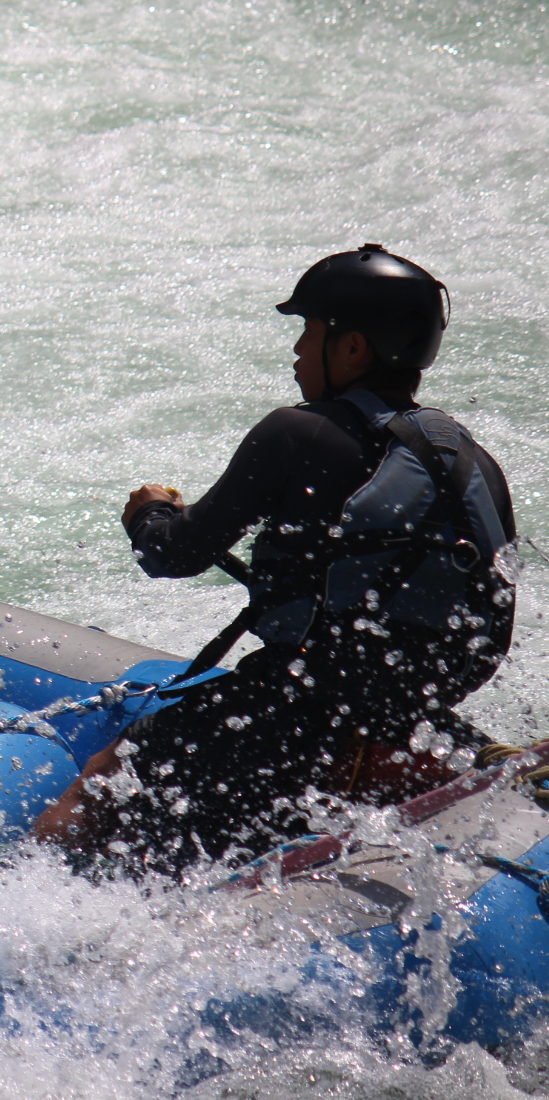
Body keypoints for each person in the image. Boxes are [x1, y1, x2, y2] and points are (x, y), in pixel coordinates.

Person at [34, 247, 519, 876]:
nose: (297, 349)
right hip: (411, 719)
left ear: (352, 348)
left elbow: (174, 554)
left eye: (310, 331)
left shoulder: (297, 432)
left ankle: (25, 905)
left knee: (99, 787)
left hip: (289, 709)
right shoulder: (474, 462)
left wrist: (149, 514)